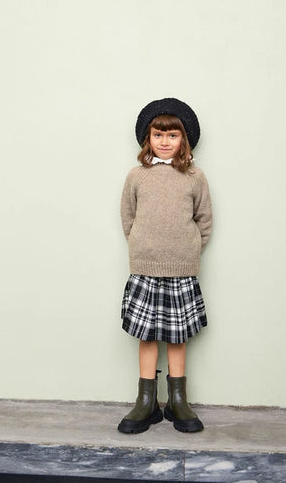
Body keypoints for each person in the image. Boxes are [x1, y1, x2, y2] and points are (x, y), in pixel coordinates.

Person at [118, 97, 212, 434]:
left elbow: (204, 220)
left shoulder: (195, 177)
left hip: (181, 270)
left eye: (173, 135)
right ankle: (146, 401)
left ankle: (177, 400)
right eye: (158, 134)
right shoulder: (137, 176)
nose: (165, 141)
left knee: (176, 335)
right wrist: (143, 246)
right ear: (148, 138)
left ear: (184, 139)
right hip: (145, 267)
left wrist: (188, 249)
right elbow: (128, 217)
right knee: (146, 335)